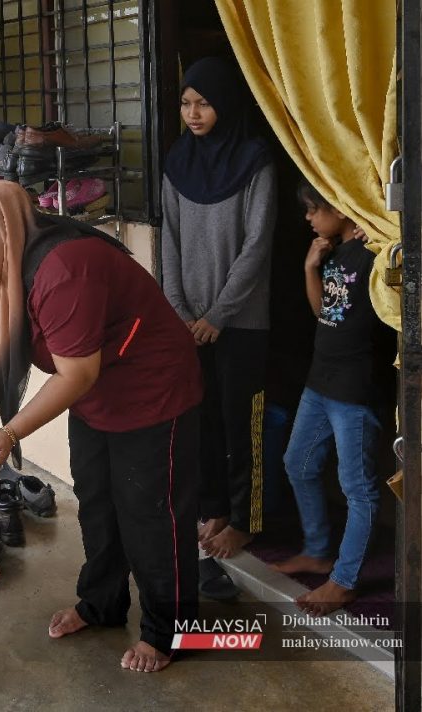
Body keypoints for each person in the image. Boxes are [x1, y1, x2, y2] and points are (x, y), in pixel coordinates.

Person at [0, 181, 202, 673]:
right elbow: (8, 354)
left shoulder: (63, 269)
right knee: (97, 505)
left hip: (151, 392)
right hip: (97, 394)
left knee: (150, 516)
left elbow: (76, 373)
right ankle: (100, 603)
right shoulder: (10, 271)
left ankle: (171, 632)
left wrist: (9, 433)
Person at [161, 56, 278, 559]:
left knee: (242, 421)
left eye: (204, 102)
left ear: (225, 103)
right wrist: (182, 312)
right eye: (187, 102)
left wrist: (218, 315)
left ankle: (248, 519)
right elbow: (169, 238)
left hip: (240, 322)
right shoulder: (177, 161)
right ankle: (216, 508)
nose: (194, 112)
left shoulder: (256, 161)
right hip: (189, 322)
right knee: (201, 419)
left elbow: (257, 245)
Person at [271, 180, 396, 615]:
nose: (307, 217)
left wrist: (375, 232)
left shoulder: (374, 247)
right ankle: (318, 550)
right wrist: (310, 268)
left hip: (355, 388)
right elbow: (325, 314)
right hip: (320, 381)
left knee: (357, 488)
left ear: (340, 208)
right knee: (297, 463)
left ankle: (344, 580)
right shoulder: (334, 251)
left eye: (313, 208)